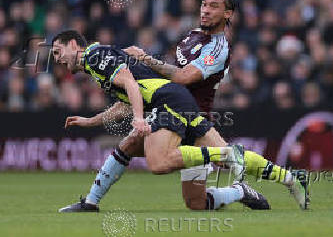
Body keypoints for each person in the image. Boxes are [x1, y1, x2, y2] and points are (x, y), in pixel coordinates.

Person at [53, 29, 270, 213]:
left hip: (171, 103)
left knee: (159, 159)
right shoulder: (97, 64)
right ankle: (242, 190)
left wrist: (139, 119)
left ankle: (91, 202)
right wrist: (90, 121)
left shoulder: (94, 56)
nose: (56, 59)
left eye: (57, 51)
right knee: (197, 202)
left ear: (73, 44)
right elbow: (125, 102)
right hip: (172, 101)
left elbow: (131, 85)